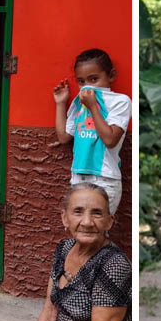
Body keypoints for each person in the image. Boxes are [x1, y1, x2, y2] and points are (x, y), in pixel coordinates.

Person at [0, 183, 131, 321]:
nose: (87, 222)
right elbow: (50, 311)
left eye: (97, 213)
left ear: (109, 221)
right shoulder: (64, 249)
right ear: (64, 218)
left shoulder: (113, 264)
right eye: (78, 211)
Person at [53, 49, 131, 214]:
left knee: (99, 229)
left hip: (105, 178)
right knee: (79, 227)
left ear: (111, 76)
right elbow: (63, 137)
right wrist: (61, 103)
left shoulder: (120, 101)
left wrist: (92, 107)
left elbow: (110, 140)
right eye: (81, 81)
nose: (87, 86)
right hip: (78, 176)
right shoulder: (79, 101)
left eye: (94, 79)